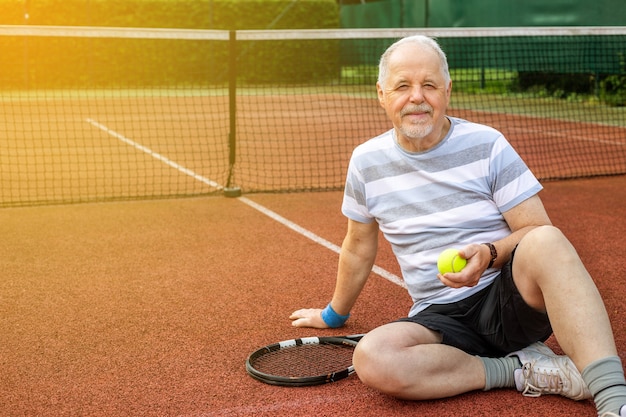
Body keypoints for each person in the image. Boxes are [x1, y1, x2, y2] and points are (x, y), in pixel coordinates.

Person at [289, 35, 626, 417]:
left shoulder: (487, 144)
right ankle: (520, 369)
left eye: (429, 85)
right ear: (381, 94)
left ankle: (614, 400)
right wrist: (334, 314)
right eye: (403, 86)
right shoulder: (366, 162)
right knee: (373, 358)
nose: (417, 97)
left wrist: (490, 253)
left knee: (548, 240)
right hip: (438, 317)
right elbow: (358, 245)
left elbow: (535, 231)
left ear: (447, 91)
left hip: (506, 298)